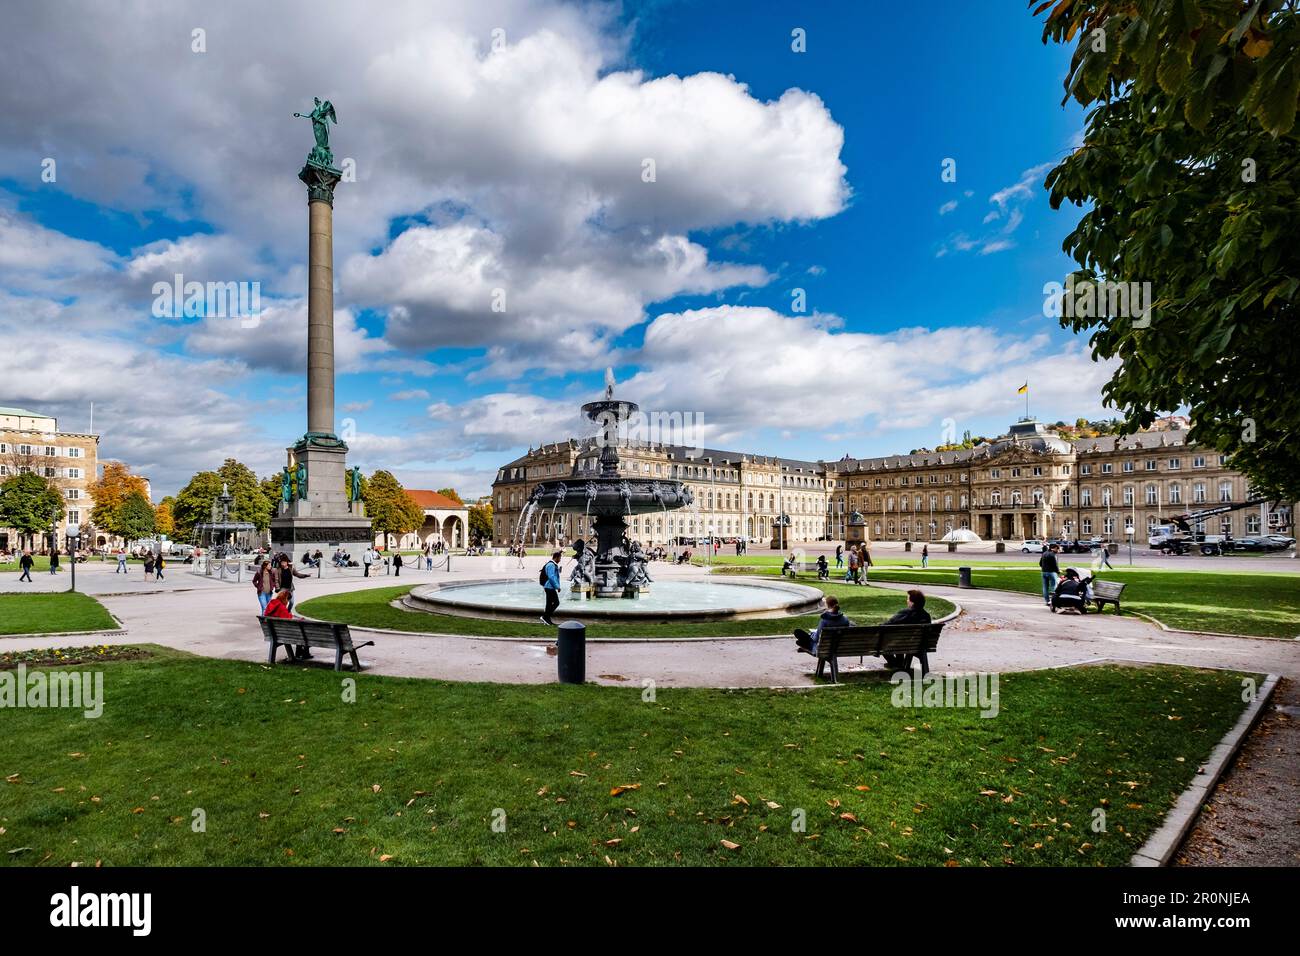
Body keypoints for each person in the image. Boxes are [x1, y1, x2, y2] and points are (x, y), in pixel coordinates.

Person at [540, 549, 562, 626]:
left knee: (549, 604)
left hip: (549, 587)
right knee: (556, 602)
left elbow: (554, 576)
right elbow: (551, 577)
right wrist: (557, 587)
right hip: (549, 587)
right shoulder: (551, 565)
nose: (560, 560)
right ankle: (545, 617)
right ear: (556, 557)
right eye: (560, 558)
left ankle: (547, 619)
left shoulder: (552, 565)